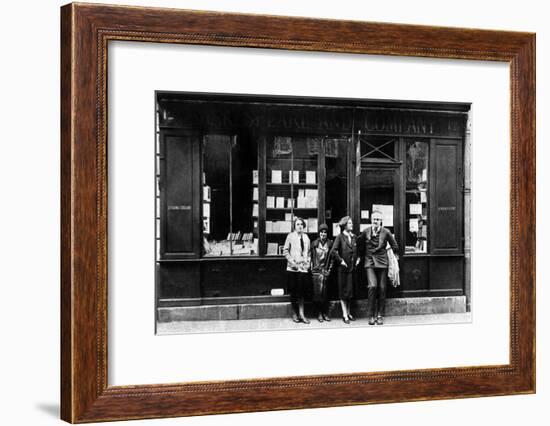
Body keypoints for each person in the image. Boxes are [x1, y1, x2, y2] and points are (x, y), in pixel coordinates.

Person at [357, 210, 399, 325]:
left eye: (378, 219)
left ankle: (380, 315)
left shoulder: (386, 232)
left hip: (382, 262)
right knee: (372, 286)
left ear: (381, 221)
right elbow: (359, 245)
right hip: (369, 262)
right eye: (374, 219)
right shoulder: (365, 231)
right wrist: (359, 257)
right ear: (371, 220)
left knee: (382, 288)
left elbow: (395, 245)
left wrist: (394, 255)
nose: (376, 221)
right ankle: (371, 315)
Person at [283, 217, 311, 324]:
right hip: (293, 269)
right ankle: (295, 313)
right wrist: (292, 263)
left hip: (303, 269)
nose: (299, 226)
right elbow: (285, 251)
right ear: (294, 226)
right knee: (294, 292)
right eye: (297, 224)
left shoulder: (306, 237)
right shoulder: (290, 236)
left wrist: (308, 263)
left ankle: (302, 314)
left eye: (301, 224)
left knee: (301, 293)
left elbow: (308, 253)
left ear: (303, 226)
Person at [330, 216, 357, 324]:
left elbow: (357, 250)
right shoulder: (340, 237)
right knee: (343, 292)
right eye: (350, 223)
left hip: (352, 269)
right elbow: (333, 251)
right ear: (345, 225)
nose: (352, 225)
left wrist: (358, 258)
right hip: (343, 269)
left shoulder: (354, 237)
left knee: (350, 293)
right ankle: (344, 314)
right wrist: (341, 261)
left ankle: (349, 313)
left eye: (351, 223)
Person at [310, 224, 333, 322]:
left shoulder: (330, 243)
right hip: (316, 271)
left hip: (325, 271)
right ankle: (319, 313)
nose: (323, 234)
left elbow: (332, 258)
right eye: (321, 232)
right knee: (317, 293)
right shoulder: (314, 243)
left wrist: (329, 270)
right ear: (319, 233)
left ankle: (325, 313)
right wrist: (312, 268)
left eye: (325, 232)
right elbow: (311, 257)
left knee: (325, 293)